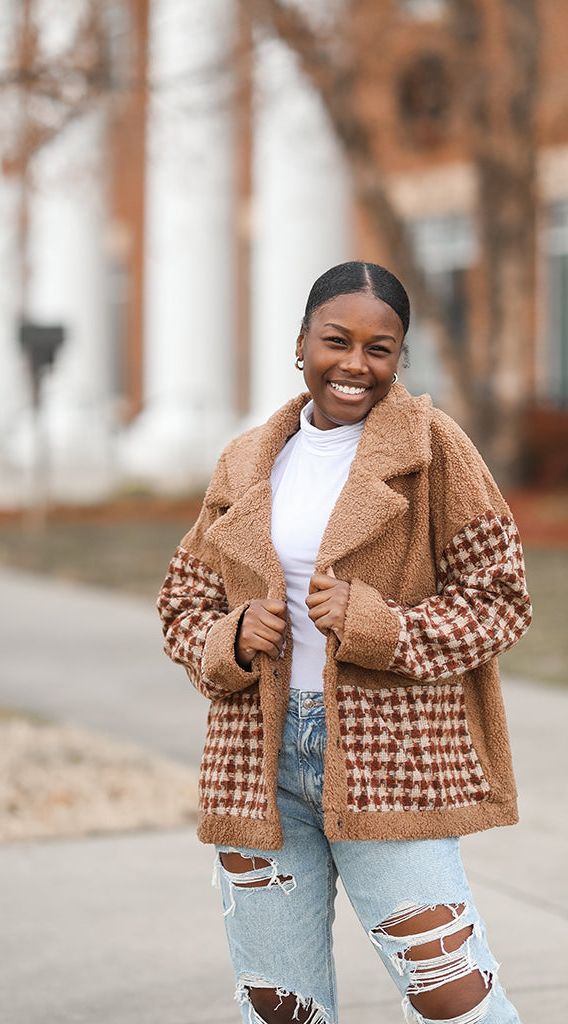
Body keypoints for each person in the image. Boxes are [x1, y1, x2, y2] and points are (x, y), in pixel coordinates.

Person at [157, 261, 531, 1024]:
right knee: (278, 1006)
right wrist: (228, 637)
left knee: (450, 994)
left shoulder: (432, 450)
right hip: (256, 762)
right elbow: (181, 603)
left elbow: (501, 600)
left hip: (387, 762)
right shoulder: (246, 460)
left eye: (379, 348)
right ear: (301, 344)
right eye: (336, 340)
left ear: (399, 358)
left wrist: (380, 627)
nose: (355, 364)